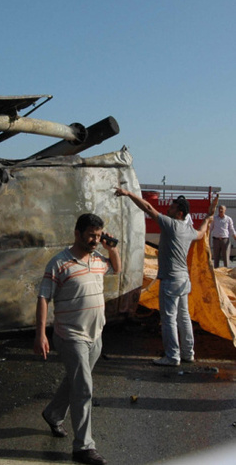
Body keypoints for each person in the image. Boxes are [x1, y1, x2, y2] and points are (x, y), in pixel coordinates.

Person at [34, 213, 121, 465]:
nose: (95, 240)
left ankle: (53, 413)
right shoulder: (59, 263)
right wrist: (41, 333)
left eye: (98, 235)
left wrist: (111, 248)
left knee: (75, 381)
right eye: (91, 235)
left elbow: (117, 267)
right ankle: (83, 446)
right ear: (78, 233)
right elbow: (43, 298)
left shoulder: (97, 259)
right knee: (83, 387)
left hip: (96, 335)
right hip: (71, 335)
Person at [114, 188, 218, 366]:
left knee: (169, 319)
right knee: (183, 318)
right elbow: (201, 233)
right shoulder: (188, 229)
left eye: (172, 207)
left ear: (179, 213)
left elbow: (147, 207)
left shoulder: (171, 225)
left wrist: (129, 194)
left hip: (171, 281)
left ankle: (172, 356)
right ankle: (188, 353)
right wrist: (208, 218)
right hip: (184, 281)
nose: (168, 209)